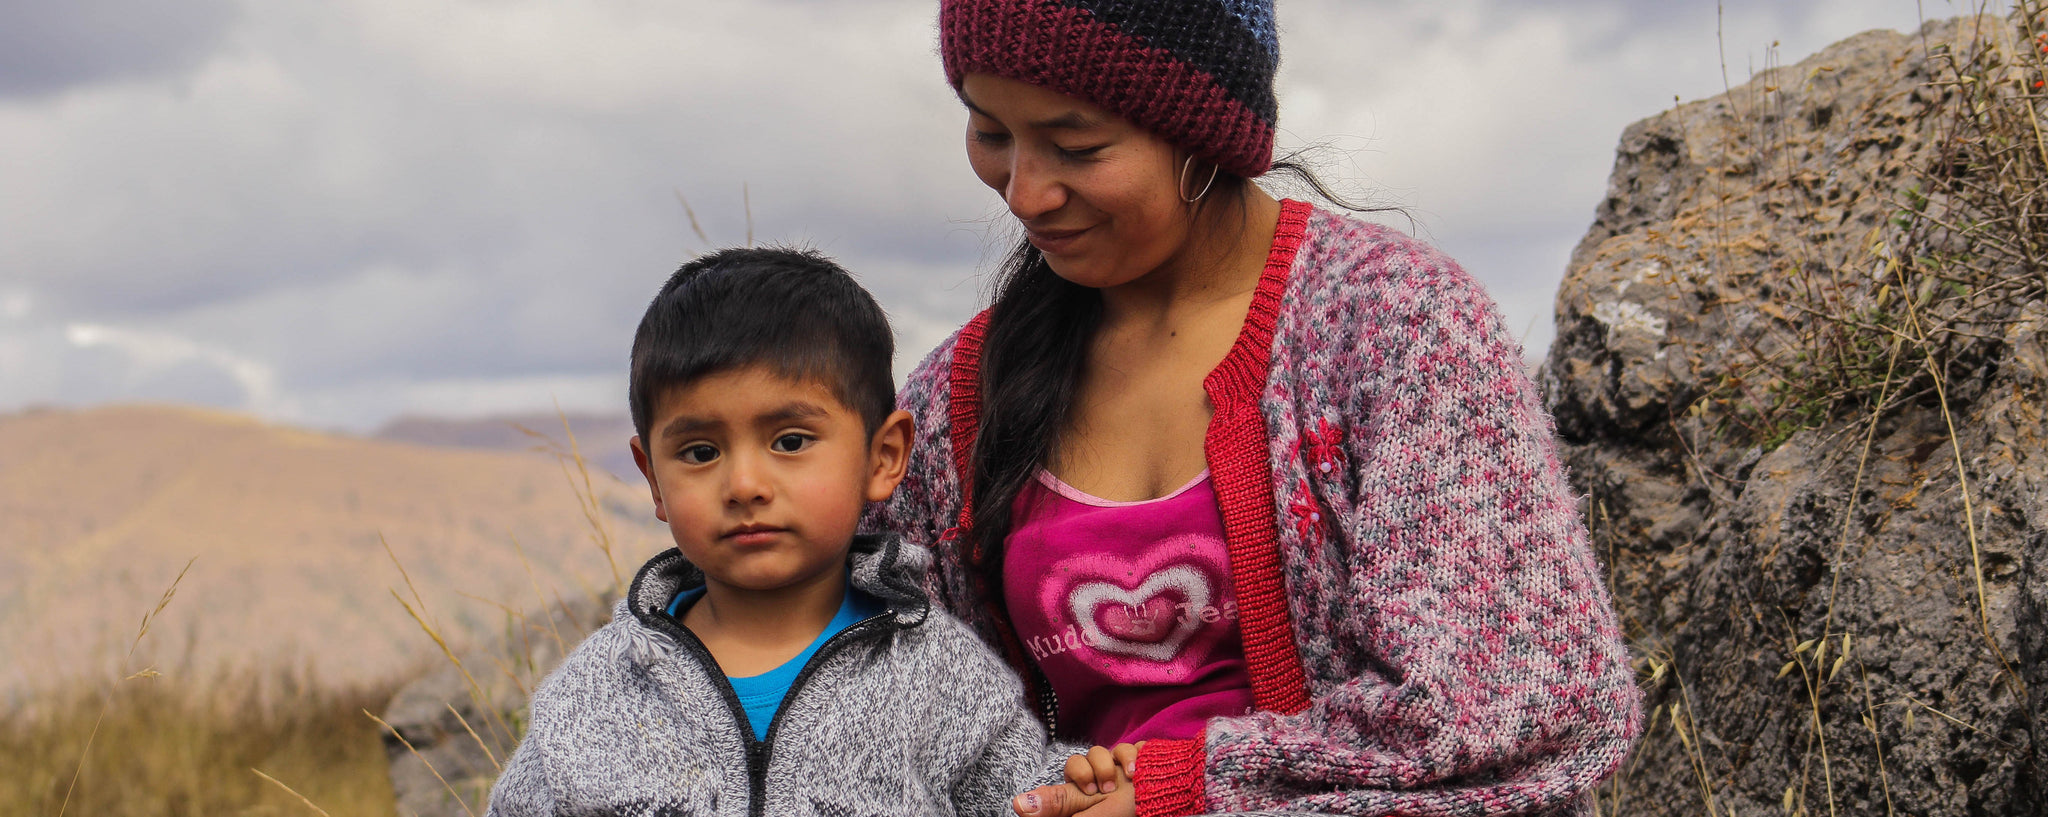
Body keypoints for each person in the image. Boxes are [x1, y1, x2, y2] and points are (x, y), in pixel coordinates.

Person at [865, 2, 1644, 816]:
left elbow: (1520, 710)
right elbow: (872, 693)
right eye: (990, 132)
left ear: (1205, 131)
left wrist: (1189, 791)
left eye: (1076, 146)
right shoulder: (960, 397)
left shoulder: (1397, 327)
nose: (1024, 192)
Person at [488, 248, 1068, 816]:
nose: (744, 484)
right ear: (654, 481)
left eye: (790, 441)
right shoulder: (598, 694)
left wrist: (1084, 779)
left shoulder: (941, 677)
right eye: (700, 451)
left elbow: (1029, 799)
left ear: (883, 456)